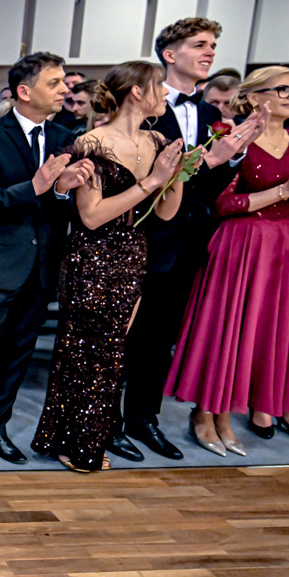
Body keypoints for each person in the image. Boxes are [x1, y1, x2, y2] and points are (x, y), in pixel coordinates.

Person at [118, 17, 263, 462]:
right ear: (169, 54)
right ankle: (105, 422)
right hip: (143, 235)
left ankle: (143, 418)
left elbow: (206, 190)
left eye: (213, 45)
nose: (210, 52)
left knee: (161, 337)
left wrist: (231, 158)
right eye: (200, 45)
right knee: (125, 336)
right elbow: (142, 178)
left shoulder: (208, 115)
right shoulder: (144, 108)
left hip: (191, 240)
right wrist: (210, 160)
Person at [31, 62, 185, 472]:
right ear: (137, 92)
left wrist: (176, 174)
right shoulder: (92, 142)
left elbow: (166, 213)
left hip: (133, 253)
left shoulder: (158, 140)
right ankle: (71, 443)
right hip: (92, 256)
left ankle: (88, 438)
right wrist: (152, 181)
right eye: (159, 86)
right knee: (82, 351)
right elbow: (92, 215)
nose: (165, 94)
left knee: (113, 352)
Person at [0, 52, 94, 467]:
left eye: (64, 82)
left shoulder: (66, 136)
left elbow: (62, 207)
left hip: (41, 264)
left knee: (17, 355)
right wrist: (33, 186)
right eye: (55, 82)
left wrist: (61, 191)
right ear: (25, 91)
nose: (65, 89)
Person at [166, 68, 289, 453]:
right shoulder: (233, 137)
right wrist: (286, 189)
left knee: (262, 333)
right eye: (282, 89)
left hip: (288, 245)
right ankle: (205, 413)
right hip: (242, 242)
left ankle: (228, 415)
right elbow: (222, 203)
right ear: (254, 97)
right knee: (226, 330)